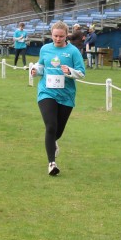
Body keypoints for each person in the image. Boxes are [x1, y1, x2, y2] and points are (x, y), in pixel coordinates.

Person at [30, 21, 86, 176]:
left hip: (66, 95)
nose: (58, 39)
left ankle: (53, 142)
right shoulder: (45, 49)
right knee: (51, 126)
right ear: (51, 34)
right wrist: (35, 71)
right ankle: (52, 164)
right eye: (55, 36)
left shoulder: (73, 51)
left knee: (58, 131)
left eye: (61, 36)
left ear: (66, 35)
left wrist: (69, 71)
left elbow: (81, 72)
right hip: (46, 92)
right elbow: (41, 66)